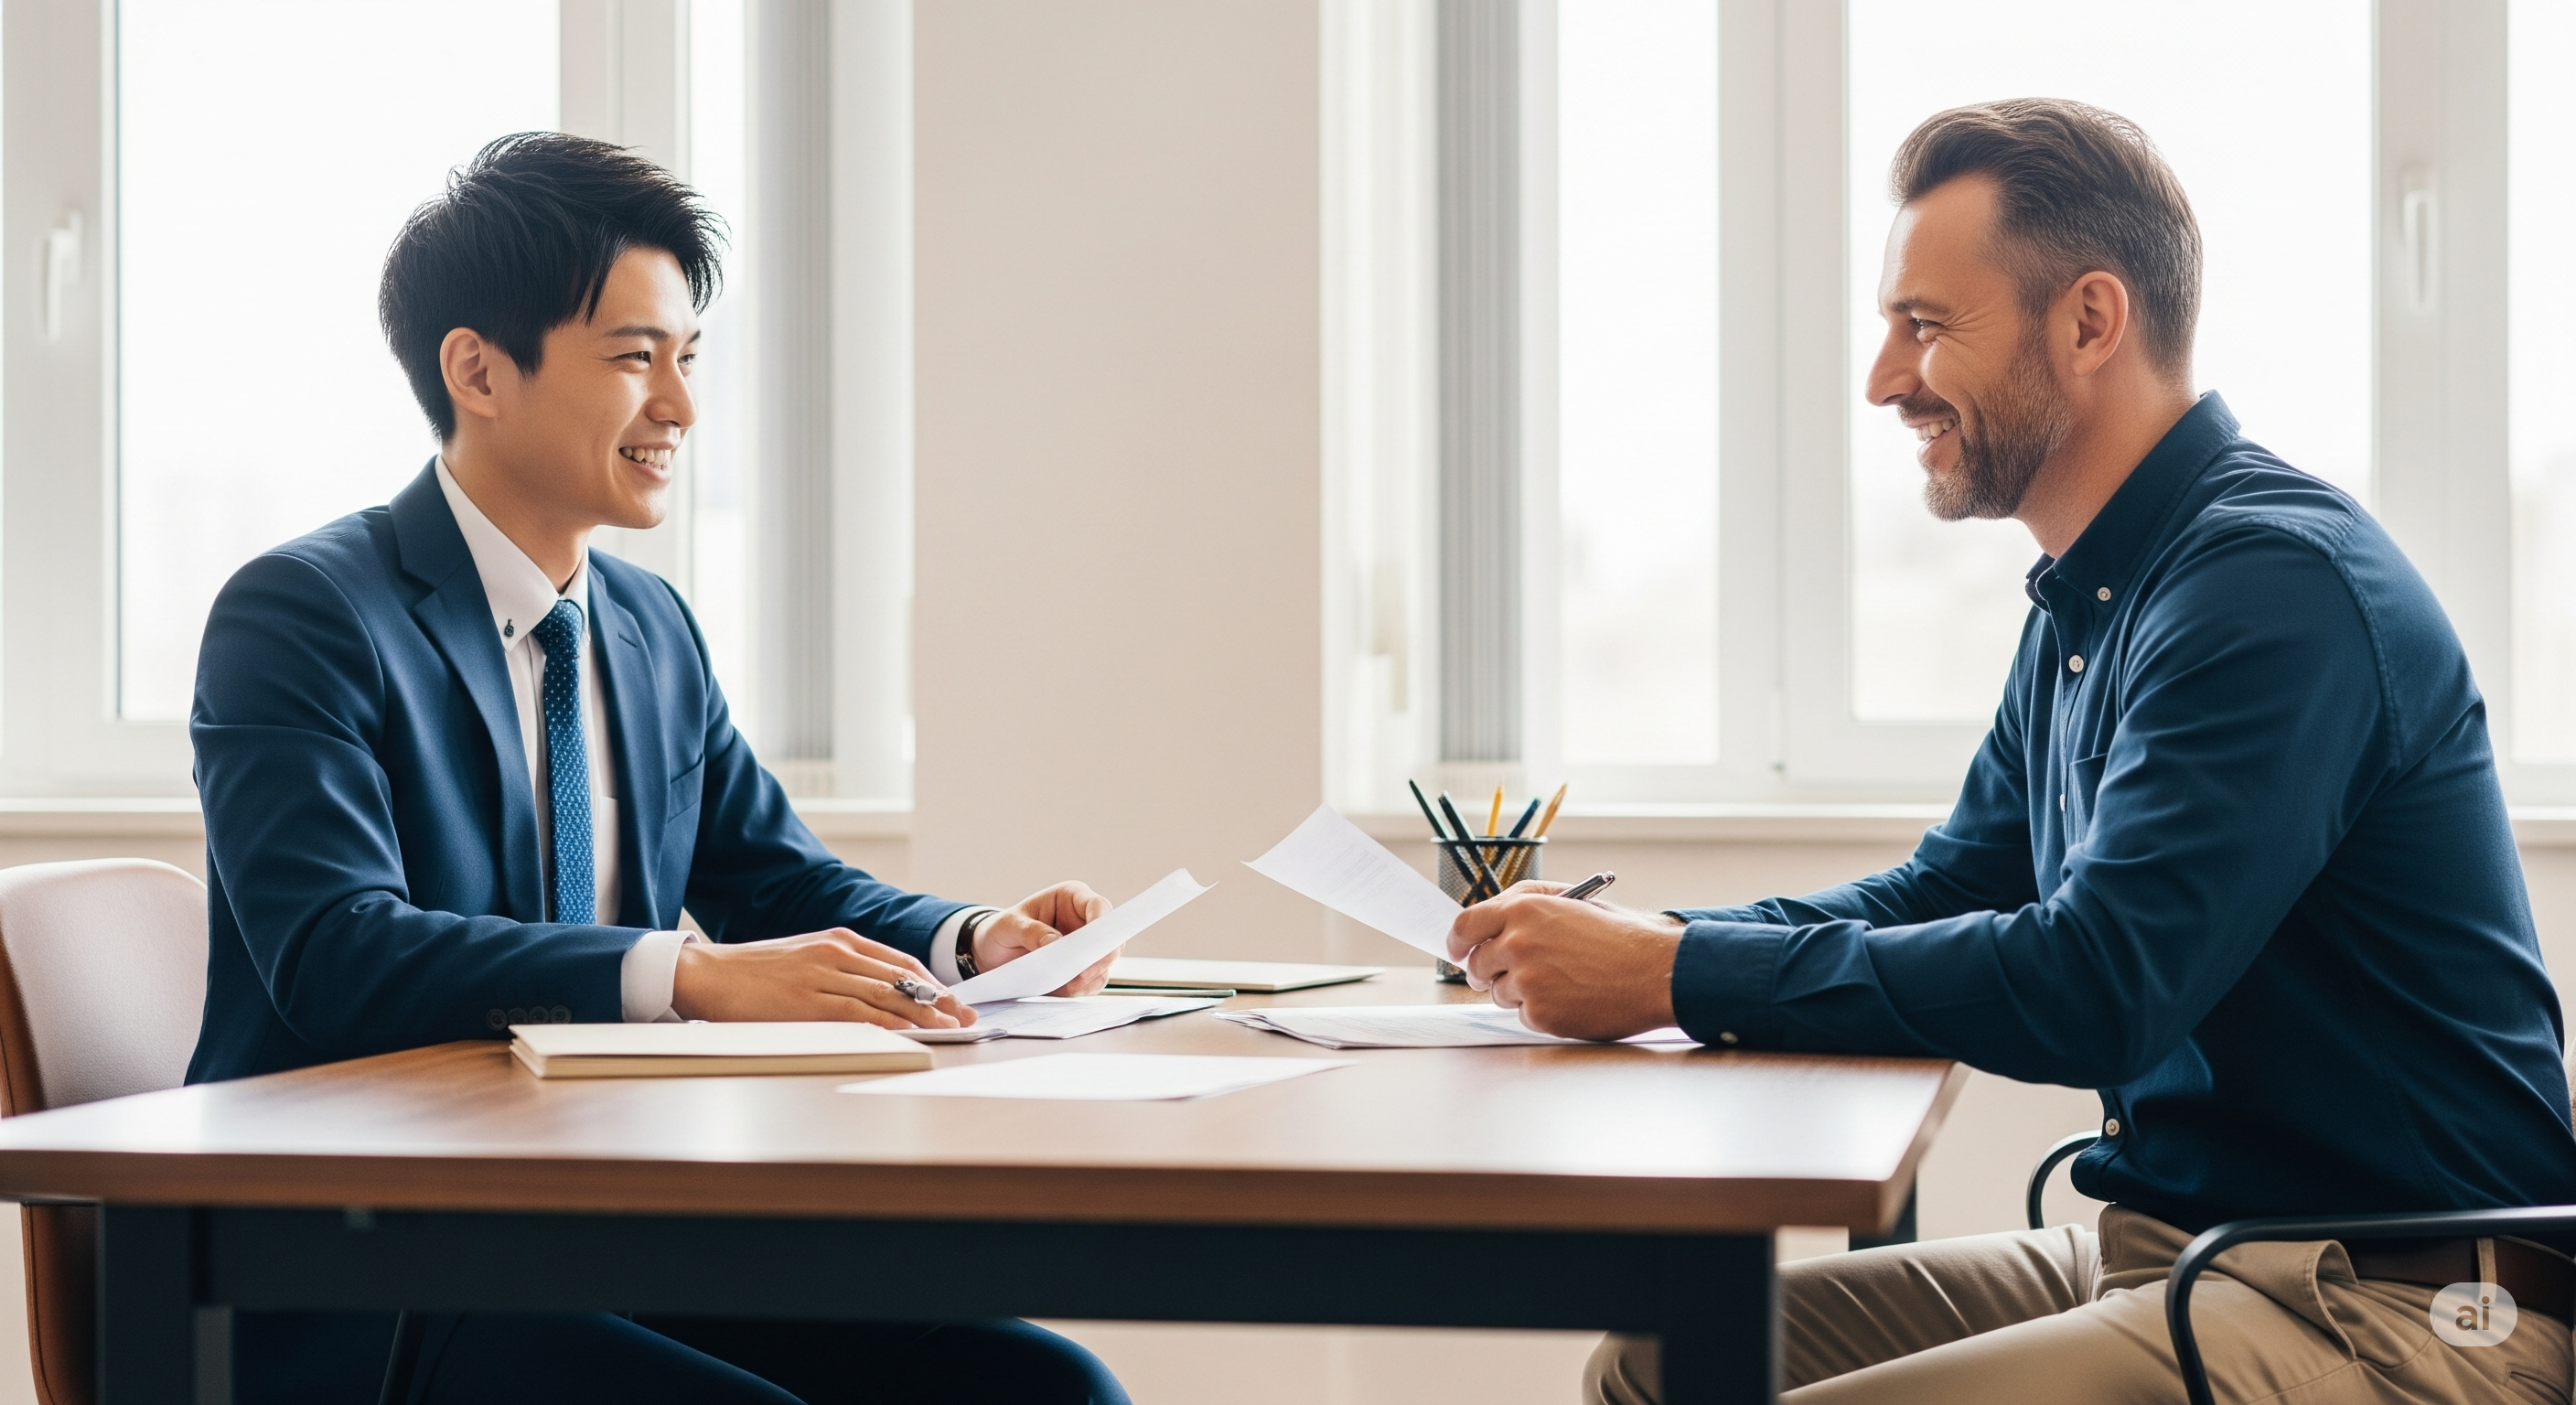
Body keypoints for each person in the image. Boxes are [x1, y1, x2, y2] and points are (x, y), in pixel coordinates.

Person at [1448, 99, 2576, 1404]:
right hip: (2186, 1260)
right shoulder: (2096, 596)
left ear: (2090, 321)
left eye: (1924, 326)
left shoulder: (2269, 588)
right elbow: (1949, 891)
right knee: (1662, 1368)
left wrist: (1679, 973)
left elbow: (2098, 980)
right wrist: (1641, 950)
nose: (1882, 378)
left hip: (2401, 1304)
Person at [188, 133, 1131, 1405]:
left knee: (1038, 1387)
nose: (680, 408)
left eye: (688, 360)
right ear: (477, 369)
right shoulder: (305, 613)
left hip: (601, 1233)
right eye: (636, 359)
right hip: (360, 1272)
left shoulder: (647, 627)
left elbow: (776, 886)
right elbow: (335, 950)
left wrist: (974, 943)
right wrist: (686, 975)